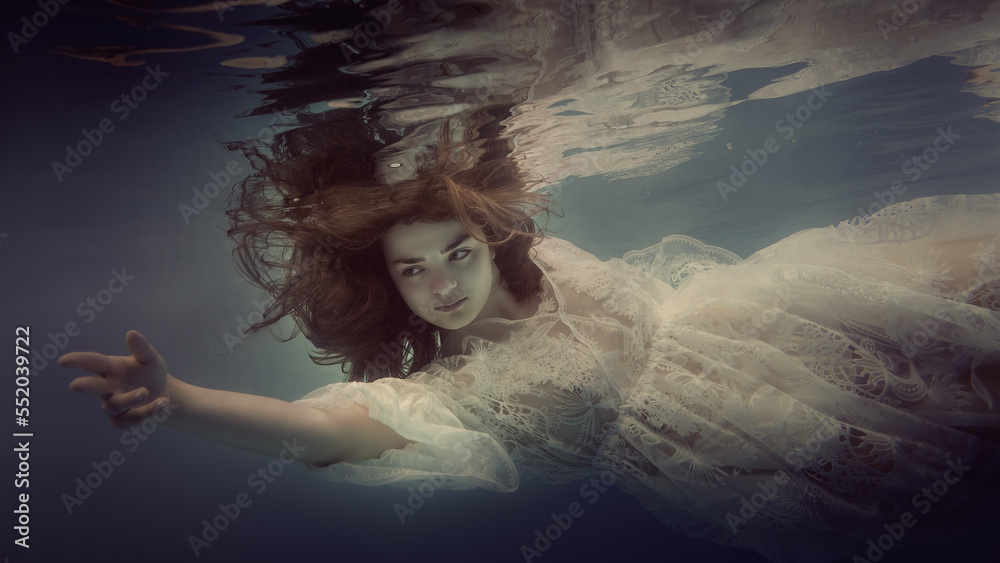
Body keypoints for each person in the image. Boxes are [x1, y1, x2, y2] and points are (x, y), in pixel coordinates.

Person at [60, 120, 1000, 562]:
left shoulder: (542, 259)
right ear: (381, 285)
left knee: (971, 283)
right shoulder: (464, 395)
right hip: (761, 444)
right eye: (410, 270)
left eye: (455, 253)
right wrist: (181, 404)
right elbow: (331, 428)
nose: (441, 284)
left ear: (487, 240)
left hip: (794, 312)